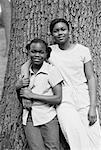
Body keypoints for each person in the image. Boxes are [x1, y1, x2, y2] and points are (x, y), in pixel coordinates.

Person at [22, 18, 101, 150]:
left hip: (83, 96)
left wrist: (93, 106)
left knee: (95, 137)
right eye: (56, 31)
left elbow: (91, 78)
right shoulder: (50, 52)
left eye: (63, 29)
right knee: (75, 138)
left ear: (69, 31)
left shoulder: (82, 50)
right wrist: (25, 92)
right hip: (64, 99)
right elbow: (27, 64)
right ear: (52, 34)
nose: (60, 33)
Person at [16, 38, 63, 150]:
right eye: (33, 51)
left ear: (46, 53)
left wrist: (33, 95)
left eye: (41, 52)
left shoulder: (51, 71)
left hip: (48, 116)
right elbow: (22, 98)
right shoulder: (25, 72)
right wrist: (18, 87)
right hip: (29, 118)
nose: (37, 55)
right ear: (28, 52)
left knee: (53, 147)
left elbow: (58, 98)